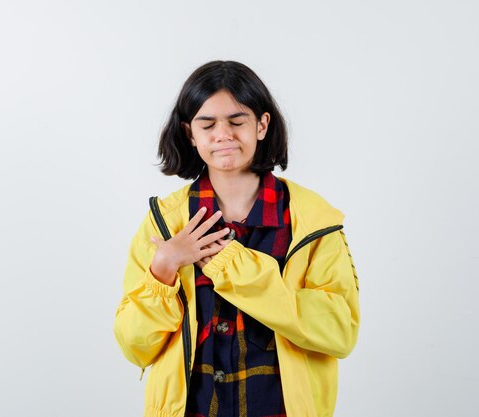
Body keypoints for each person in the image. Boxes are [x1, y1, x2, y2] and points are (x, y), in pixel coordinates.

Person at [113, 60, 360, 417]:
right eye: (207, 124)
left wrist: (234, 265)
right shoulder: (164, 224)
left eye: (236, 121)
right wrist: (163, 269)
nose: (223, 134)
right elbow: (135, 347)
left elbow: (340, 332)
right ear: (189, 133)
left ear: (262, 125)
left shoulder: (312, 222)